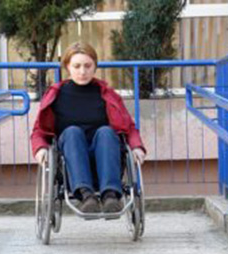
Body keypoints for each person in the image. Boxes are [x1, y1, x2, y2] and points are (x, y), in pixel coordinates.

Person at [31, 42, 146, 214]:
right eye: (77, 66)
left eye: (87, 66)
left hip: (106, 153)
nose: (82, 71)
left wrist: (136, 146)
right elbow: (39, 130)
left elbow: (128, 126)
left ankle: (110, 196)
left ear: (95, 67)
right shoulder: (56, 95)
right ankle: (86, 196)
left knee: (106, 132)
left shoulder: (107, 94)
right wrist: (40, 148)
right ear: (68, 67)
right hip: (70, 158)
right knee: (72, 131)